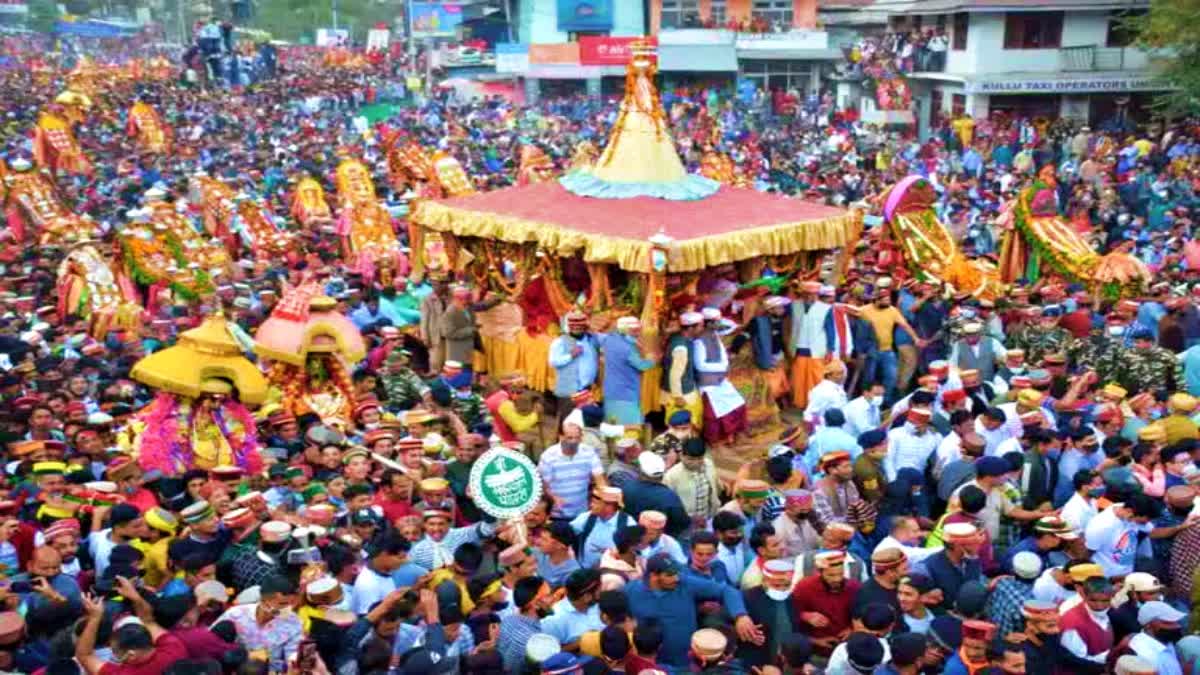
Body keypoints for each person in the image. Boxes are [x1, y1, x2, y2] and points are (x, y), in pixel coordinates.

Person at [624, 555, 760, 670]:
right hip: (650, 667)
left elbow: (727, 591)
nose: (676, 578)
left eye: (677, 573)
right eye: (670, 575)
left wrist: (741, 616)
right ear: (653, 576)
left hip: (686, 666)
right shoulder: (630, 591)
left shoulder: (685, 584)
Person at [792, 550, 861, 658]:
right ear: (819, 572)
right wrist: (805, 616)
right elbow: (789, 616)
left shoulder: (854, 587)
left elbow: (862, 615)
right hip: (813, 653)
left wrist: (852, 629)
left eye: (840, 574)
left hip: (846, 651)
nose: (837, 579)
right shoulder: (804, 588)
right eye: (831, 575)